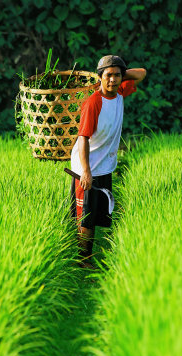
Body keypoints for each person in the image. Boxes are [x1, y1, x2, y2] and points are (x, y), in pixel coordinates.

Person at [70, 55, 146, 267]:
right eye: (108, 75)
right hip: (87, 166)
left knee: (94, 214)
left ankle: (85, 256)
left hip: (103, 166)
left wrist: (119, 72)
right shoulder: (93, 102)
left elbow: (142, 73)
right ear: (100, 77)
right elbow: (83, 137)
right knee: (85, 216)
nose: (113, 80)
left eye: (117, 76)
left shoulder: (120, 91)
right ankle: (83, 260)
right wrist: (85, 171)